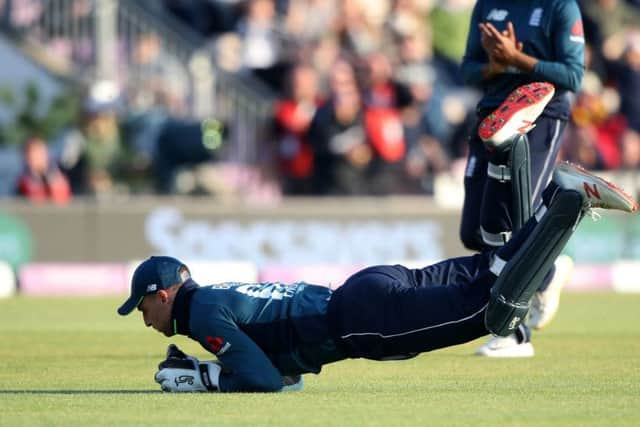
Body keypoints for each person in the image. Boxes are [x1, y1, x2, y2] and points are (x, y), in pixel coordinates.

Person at [118, 162, 637, 392]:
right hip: (368, 286)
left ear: (162, 294)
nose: (144, 320)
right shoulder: (211, 299)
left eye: (142, 308)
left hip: (362, 319)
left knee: (493, 311)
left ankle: (565, 201)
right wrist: (213, 369)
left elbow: (264, 381)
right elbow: (289, 375)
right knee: (490, 270)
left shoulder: (204, 313)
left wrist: (203, 379)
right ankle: (550, 193)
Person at [459, 0, 585, 356]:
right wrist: (494, 67)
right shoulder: (488, 4)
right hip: (493, 115)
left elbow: (574, 75)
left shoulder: (559, 6)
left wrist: (519, 60)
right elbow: (467, 69)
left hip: (540, 116)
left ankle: (513, 334)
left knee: (512, 220)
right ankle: (548, 270)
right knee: (474, 232)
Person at [16, 137, 72, 204]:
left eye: (37, 153)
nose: (32, 158)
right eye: (28, 154)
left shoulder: (59, 177)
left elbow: (63, 200)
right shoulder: (22, 181)